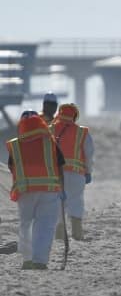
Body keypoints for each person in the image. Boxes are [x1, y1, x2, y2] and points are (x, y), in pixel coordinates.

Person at [6, 112, 64, 269]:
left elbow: (12, 167)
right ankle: (40, 261)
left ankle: (27, 260)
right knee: (45, 225)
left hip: (25, 191)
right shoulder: (50, 141)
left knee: (26, 224)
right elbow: (60, 164)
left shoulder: (15, 144)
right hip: (49, 189)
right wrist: (63, 189)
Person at [51, 103, 93, 241]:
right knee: (76, 202)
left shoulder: (50, 130)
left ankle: (59, 235)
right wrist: (88, 172)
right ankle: (77, 233)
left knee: (57, 205)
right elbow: (89, 154)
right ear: (75, 116)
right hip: (77, 174)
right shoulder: (82, 132)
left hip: (55, 175)